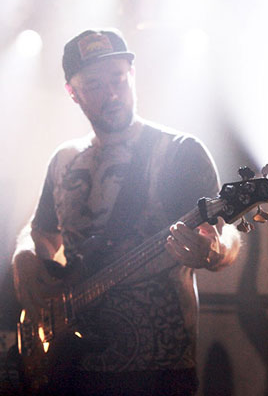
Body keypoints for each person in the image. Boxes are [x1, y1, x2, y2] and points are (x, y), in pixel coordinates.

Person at [11, 28, 240, 395]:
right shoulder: (64, 160)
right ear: (73, 92)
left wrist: (213, 251)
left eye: (118, 78)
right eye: (95, 85)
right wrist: (24, 252)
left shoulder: (178, 152)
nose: (112, 94)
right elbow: (43, 231)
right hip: (71, 366)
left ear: (132, 75)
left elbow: (225, 233)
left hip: (158, 365)